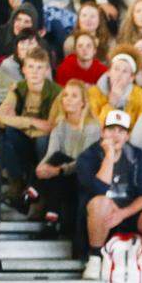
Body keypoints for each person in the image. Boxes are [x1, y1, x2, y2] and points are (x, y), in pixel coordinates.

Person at [76, 109, 142, 283]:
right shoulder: (88, 156)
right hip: (99, 221)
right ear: (102, 132)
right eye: (111, 129)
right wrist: (109, 155)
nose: (115, 135)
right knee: (101, 203)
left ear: (127, 136)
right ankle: (94, 257)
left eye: (120, 131)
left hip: (128, 215)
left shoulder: (137, 156)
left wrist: (123, 213)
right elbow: (97, 190)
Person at [33, 79, 100, 239]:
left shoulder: (92, 128)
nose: (68, 99)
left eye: (74, 96)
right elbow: (51, 154)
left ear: (83, 103)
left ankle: (31, 194)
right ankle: (50, 223)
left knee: (59, 160)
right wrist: (40, 169)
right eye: (66, 95)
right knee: (54, 159)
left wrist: (58, 169)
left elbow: (83, 164)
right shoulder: (60, 125)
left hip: (81, 178)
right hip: (62, 177)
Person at [0, 47, 59, 202]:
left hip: (46, 144)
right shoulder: (19, 88)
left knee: (42, 139)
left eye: (39, 67)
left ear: (46, 70)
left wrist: (20, 123)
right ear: (24, 69)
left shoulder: (56, 92)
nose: (34, 72)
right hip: (25, 141)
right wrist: (32, 122)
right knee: (5, 133)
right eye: (30, 67)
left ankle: (39, 189)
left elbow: (50, 127)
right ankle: (17, 182)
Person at [89, 49, 142, 128]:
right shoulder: (94, 92)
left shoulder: (140, 94)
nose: (119, 74)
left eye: (125, 71)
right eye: (116, 69)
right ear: (108, 72)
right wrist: (111, 103)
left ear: (131, 78)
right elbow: (94, 129)